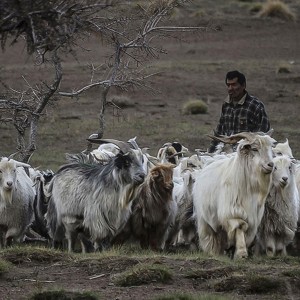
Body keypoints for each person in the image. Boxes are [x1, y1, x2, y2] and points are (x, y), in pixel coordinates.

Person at [208, 70, 270, 153]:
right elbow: (219, 132)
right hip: (227, 154)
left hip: (248, 153)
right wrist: (210, 153)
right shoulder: (226, 105)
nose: (230, 88)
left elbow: (263, 133)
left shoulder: (255, 106)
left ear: (243, 85)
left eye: (234, 85)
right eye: (228, 85)